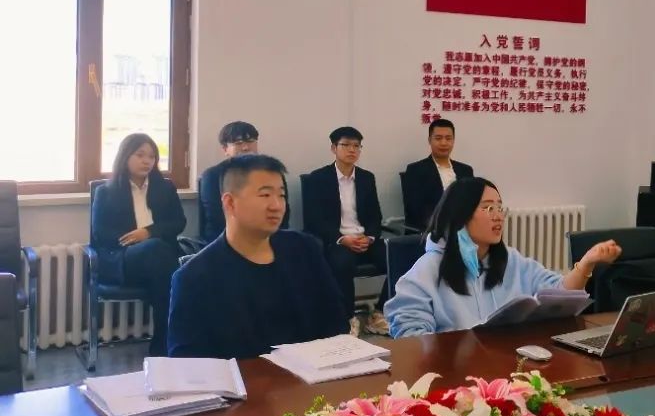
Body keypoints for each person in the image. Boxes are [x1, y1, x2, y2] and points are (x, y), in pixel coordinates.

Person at [385, 177, 621, 337]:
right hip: (455, 377)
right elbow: (410, 334)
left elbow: (560, 292)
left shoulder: (511, 260)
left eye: (500, 208)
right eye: (488, 208)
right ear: (461, 214)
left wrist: (586, 264)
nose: (498, 216)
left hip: (509, 368)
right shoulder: (428, 268)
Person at [168, 154, 347, 359]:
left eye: (281, 195)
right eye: (265, 195)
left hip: (313, 373)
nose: (277, 205)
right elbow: (187, 361)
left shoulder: (305, 249)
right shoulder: (194, 277)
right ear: (230, 203)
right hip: (243, 378)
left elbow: (336, 321)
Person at [90, 133, 185, 356]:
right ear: (125, 157)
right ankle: (167, 345)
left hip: (159, 260)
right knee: (162, 259)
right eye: (140, 155)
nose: (147, 161)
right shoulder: (106, 192)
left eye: (152, 156)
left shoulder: (165, 188)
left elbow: (179, 222)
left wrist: (148, 232)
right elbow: (101, 233)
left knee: (161, 262)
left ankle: (163, 345)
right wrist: (135, 240)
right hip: (123, 258)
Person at [302, 126, 387, 316]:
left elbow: (375, 216)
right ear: (334, 148)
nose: (352, 150)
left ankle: (380, 312)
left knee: (398, 257)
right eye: (346, 145)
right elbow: (314, 220)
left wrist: (370, 237)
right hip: (337, 241)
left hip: (364, 239)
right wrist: (342, 239)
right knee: (342, 263)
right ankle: (347, 318)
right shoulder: (318, 179)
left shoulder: (366, 178)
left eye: (356, 146)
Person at [198, 121, 290, 242]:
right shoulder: (212, 176)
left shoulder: (272, 172)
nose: (246, 147)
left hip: (270, 239)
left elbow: (284, 216)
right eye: (238, 143)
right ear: (225, 149)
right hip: (226, 240)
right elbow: (216, 218)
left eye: (251, 141)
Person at [402, 119, 474, 230]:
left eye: (448, 138)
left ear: (453, 141)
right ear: (429, 140)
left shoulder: (465, 170)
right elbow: (415, 209)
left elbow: (472, 203)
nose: (443, 143)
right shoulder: (415, 170)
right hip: (431, 230)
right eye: (438, 138)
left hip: (463, 229)